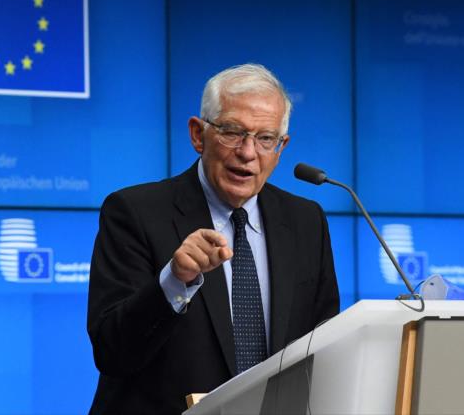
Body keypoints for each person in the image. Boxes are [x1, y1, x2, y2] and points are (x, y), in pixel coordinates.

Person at [87, 64, 340, 414]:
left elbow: (324, 342)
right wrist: (173, 282)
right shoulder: (134, 212)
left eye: (265, 138)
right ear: (197, 134)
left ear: (281, 147)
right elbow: (111, 352)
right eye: (233, 132)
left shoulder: (305, 221)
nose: (248, 152)